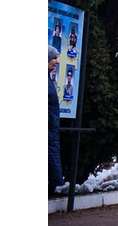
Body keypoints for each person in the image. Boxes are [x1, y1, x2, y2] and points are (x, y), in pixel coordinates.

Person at [49, 46, 63, 194]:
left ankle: (56, 184)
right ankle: (57, 184)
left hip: (51, 126)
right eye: (54, 58)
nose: (56, 62)